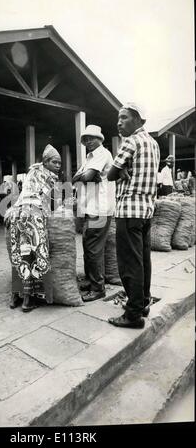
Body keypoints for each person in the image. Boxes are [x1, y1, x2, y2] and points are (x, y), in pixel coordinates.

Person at [107, 103, 160, 329]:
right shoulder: (153, 143)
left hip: (129, 210)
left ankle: (133, 314)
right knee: (143, 260)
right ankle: (143, 303)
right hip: (146, 211)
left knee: (130, 263)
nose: (119, 122)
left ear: (138, 120)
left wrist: (120, 169)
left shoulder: (131, 141)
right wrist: (124, 169)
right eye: (119, 118)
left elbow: (110, 174)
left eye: (125, 118)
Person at [5, 144, 61, 312]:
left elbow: (24, 195)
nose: (58, 166)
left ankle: (15, 296)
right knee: (34, 255)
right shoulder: (49, 176)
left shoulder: (32, 172)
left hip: (18, 213)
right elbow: (45, 200)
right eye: (54, 162)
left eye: (59, 163)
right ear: (46, 162)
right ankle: (27, 300)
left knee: (20, 253)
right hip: (33, 215)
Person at [72, 125, 116, 302]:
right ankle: (92, 281)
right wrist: (82, 175)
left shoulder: (102, 154)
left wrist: (84, 176)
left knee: (93, 249)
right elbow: (76, 177)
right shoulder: (89, 157)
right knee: (90, 246)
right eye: (85, 139)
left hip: (99, 208)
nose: (88, 141)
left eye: (91, 138)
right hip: (91, 208)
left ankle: (98, 288)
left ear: (100, 139)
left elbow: (87, 177)